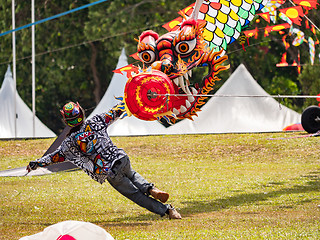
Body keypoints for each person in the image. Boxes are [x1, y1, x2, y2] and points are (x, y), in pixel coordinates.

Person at [26, 101, 181, 219]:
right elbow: (116, 111)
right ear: (81, 111)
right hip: (121, 157)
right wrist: (130, 99)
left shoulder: (69, 142)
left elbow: (54, 157)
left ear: (66, 120)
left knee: (136, 195)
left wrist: (36, 164)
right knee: (133, 175)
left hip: (109, 171)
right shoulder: (96, 121)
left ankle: (168, 210)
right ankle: (151, 189)